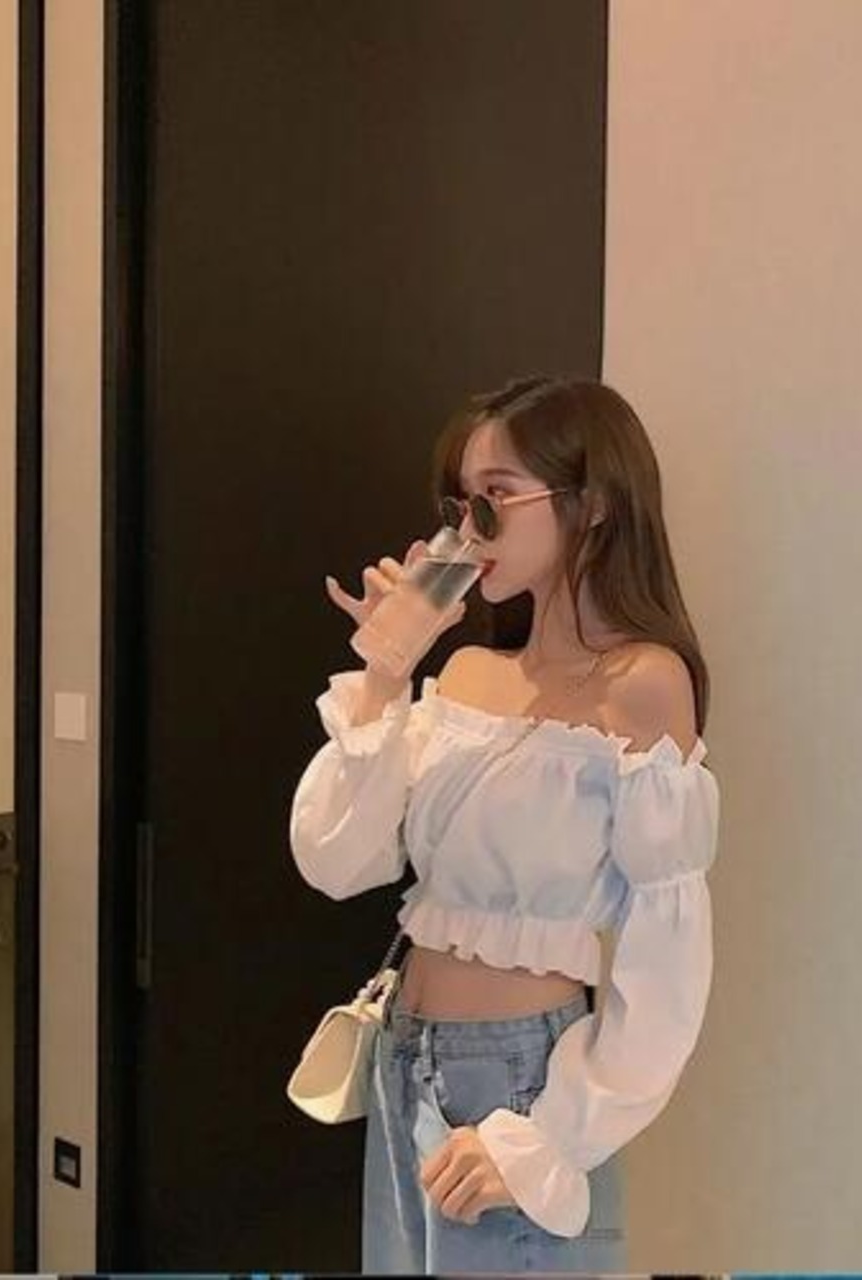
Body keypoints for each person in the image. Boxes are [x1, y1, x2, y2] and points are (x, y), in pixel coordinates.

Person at [289, 374, 720, 1273]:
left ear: (592, 504)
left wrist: (549, 1138)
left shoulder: (642, 685)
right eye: (459, 505)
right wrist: (386, 671)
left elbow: (667, 956)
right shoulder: (465, 677)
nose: (469, 530)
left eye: (495, 499)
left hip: (522, 1082)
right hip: (403, 1058)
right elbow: (335, 860)